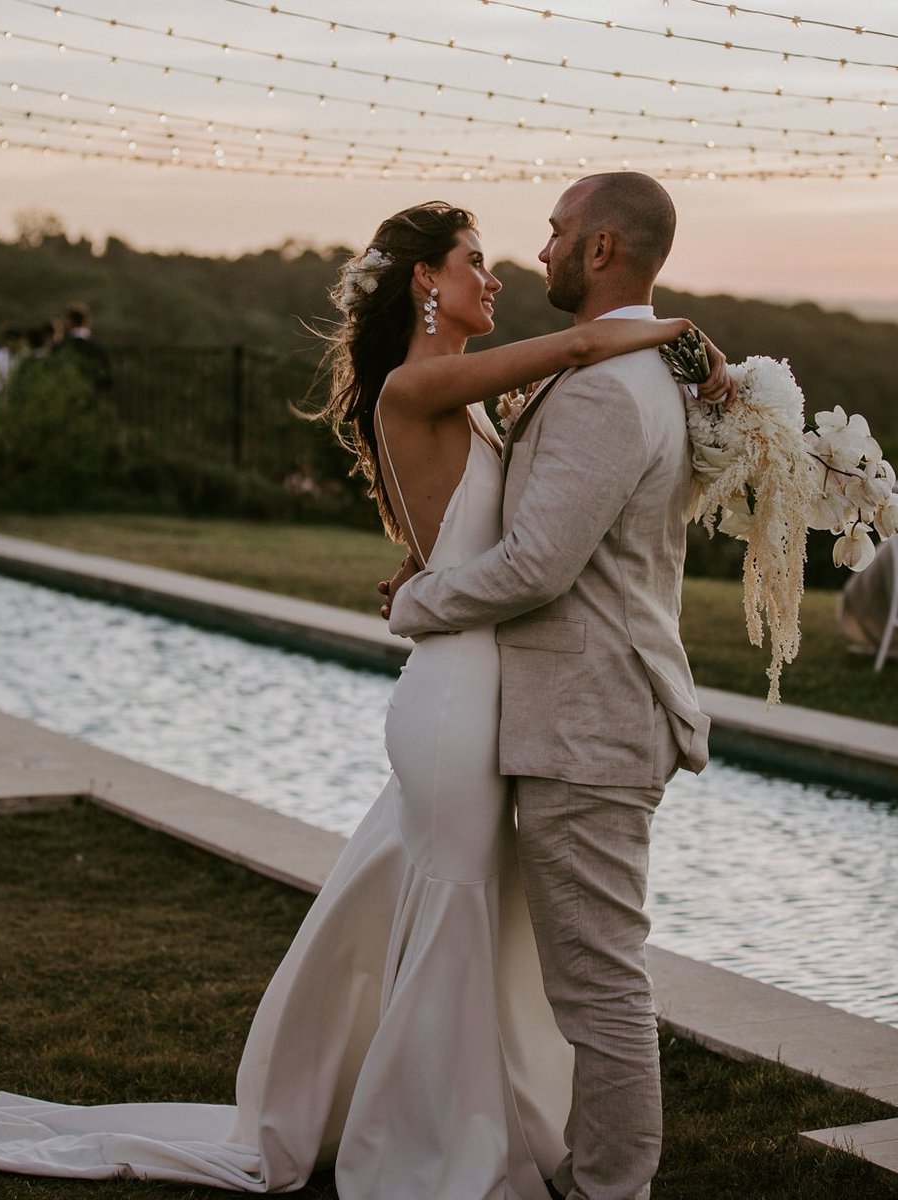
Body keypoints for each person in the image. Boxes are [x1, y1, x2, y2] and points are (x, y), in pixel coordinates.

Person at [0, 199, 726, 1197]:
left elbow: (496, 496)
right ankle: (432, 1141)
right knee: (454, 909)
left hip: (480, 682)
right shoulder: (420, 384)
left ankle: (451, 1118)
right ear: (426, 279)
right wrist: (663, 333)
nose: (497, 272)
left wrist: (424, 572)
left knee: (450, 909)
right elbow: (586, 344)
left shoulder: (461, 393)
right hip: (458, 693)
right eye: (473, 259)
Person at [385, 174, 713, 1200]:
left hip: (589, 720)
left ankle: (608, 1188)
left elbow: (537, 566)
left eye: (558, 232)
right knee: (586, 975)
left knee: (599, 985)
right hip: (582, 712)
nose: (541, 251)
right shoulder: (640, 370)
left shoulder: (612, 385)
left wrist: (418, 605)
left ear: (604, 249)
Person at [55, 301, 111, 391]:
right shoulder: (99, 348)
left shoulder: (61, 348)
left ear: (70, 322)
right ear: (86, 321)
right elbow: (105, 379)